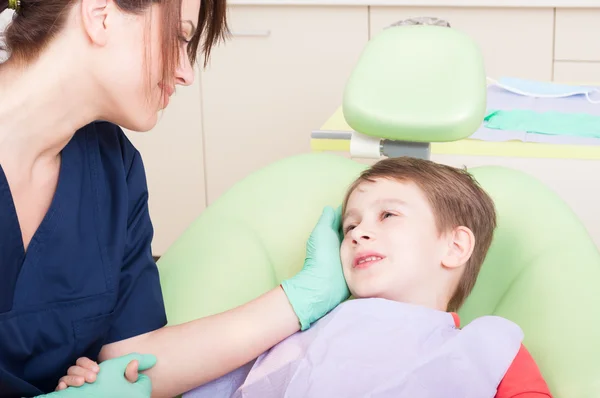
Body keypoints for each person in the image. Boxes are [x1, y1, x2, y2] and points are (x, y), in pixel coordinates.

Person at [0, 0, 350, 397]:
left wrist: (301, 297)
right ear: (100, 14)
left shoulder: (115, 167)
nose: (185, 73)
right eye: (179, 37)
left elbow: (136, 358)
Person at [182, 157, 553, 398]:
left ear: (455, 246)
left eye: (387, 215)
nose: (358, 233)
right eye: (350, 226)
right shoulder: (302, 333)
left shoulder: (487, 347)